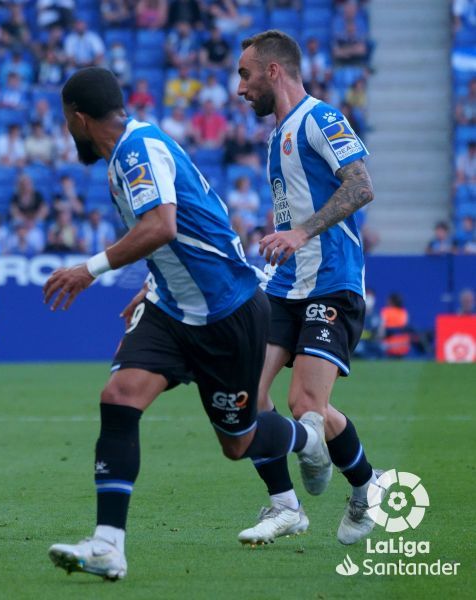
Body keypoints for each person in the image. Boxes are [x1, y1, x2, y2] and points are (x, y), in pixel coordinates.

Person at [44, 67, 330, 580]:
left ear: (78, 119)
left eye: (67, 122)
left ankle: (308, 439)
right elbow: (180, 238)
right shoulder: (130, 151)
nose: (68, 130)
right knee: (119, 397)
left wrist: (86, 270)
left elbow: (163, 224)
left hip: (228, 313)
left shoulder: (137, 150)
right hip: (172, 309)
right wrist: (153, 284)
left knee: (237, 443)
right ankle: (109, 546)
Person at [236, 30, 382, 546]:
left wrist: (301, 231)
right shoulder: (277, 136)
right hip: (286, 284)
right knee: (244, 398)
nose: (240, 87)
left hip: (332, 280)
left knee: (306, 407)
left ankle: (363, 488)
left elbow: (361, 185)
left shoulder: (320, 118)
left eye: (245, 74)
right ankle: (285, 507)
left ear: (274, 71)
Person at [380, 293, 410, 358]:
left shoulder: (386, 312)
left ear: (391, 301)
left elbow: (381, 330)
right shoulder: (404, 312)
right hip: (403, 345)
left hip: (388, 345)